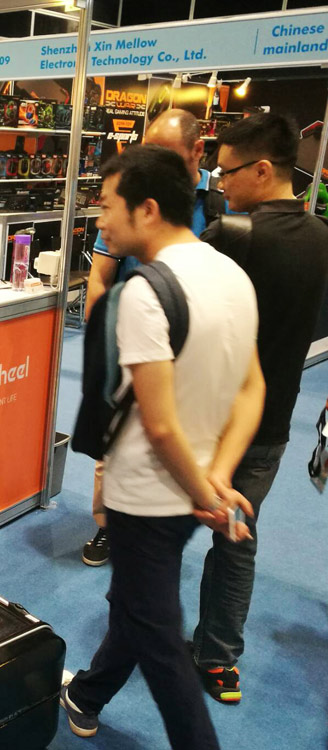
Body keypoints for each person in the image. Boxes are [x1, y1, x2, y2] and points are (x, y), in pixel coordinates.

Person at [58, 145, 263, 749]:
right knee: (137, 604)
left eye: (107, 206)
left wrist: (209, 495)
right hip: (188, 491)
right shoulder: (232, 274)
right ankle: (88, 693)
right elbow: (253, 388)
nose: (101, 221)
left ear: (147, 209)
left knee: (160, 642)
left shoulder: (146, 292)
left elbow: (160, 425)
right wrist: (217, 477)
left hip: (147, 494)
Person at [188, 113, 328, 703]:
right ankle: (220, 659)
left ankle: (131, 649)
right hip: (272, 423)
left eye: (227, 172)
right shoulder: (322, 237)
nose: (220, 183)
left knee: (153, 533)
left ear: (263, 170)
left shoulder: (232, 233)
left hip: (207, 421)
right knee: (237, 537)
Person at [80, 108, 227, 567]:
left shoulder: (219, 204)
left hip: (190, 350)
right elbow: (100, 277)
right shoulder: (129, 198)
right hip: (131, 340)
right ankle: (107, 524)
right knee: (117, 436)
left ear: (197, 151)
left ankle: (167, 526)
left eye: (166, 153)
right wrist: (102, 344)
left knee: (173, 435)